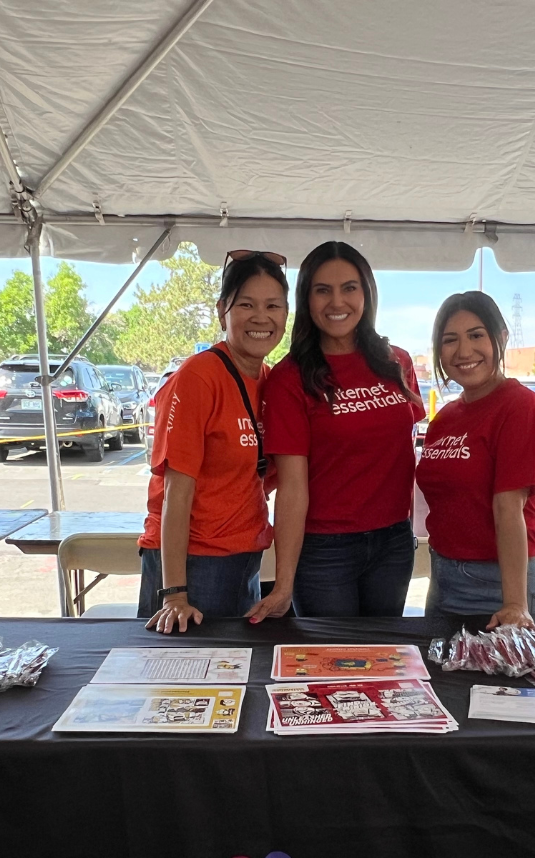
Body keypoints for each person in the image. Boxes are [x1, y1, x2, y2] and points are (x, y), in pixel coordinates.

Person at [249, 242, 424, 620]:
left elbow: (407, 451)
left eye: (349, 287)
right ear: (307, 299)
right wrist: (283, 583)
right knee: (331, 665)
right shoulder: (290, 378)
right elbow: (292, 487)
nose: (336, 301)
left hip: (393, 541)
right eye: (322, 290)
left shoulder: (397, 363)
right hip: (325, 550)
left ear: (367, 293)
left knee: (384, 664)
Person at [144, 251, 288, 632]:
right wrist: (174, 593)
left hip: (244, 557)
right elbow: (177, 489)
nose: (262, 317)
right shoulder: (199, 377)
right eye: (246, 304)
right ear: (222, 310)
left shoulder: (272, 382)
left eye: (273, 305)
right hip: (193, 563)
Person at [415, 292, 535, 627]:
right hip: (444, 577)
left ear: (501, 338)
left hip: (498, 586)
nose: (463, 352)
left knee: (496, 680)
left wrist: (515, 604)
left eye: (476, 335)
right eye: (450, 340)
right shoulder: (446, 417)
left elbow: (509, 508)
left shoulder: (520, 406)